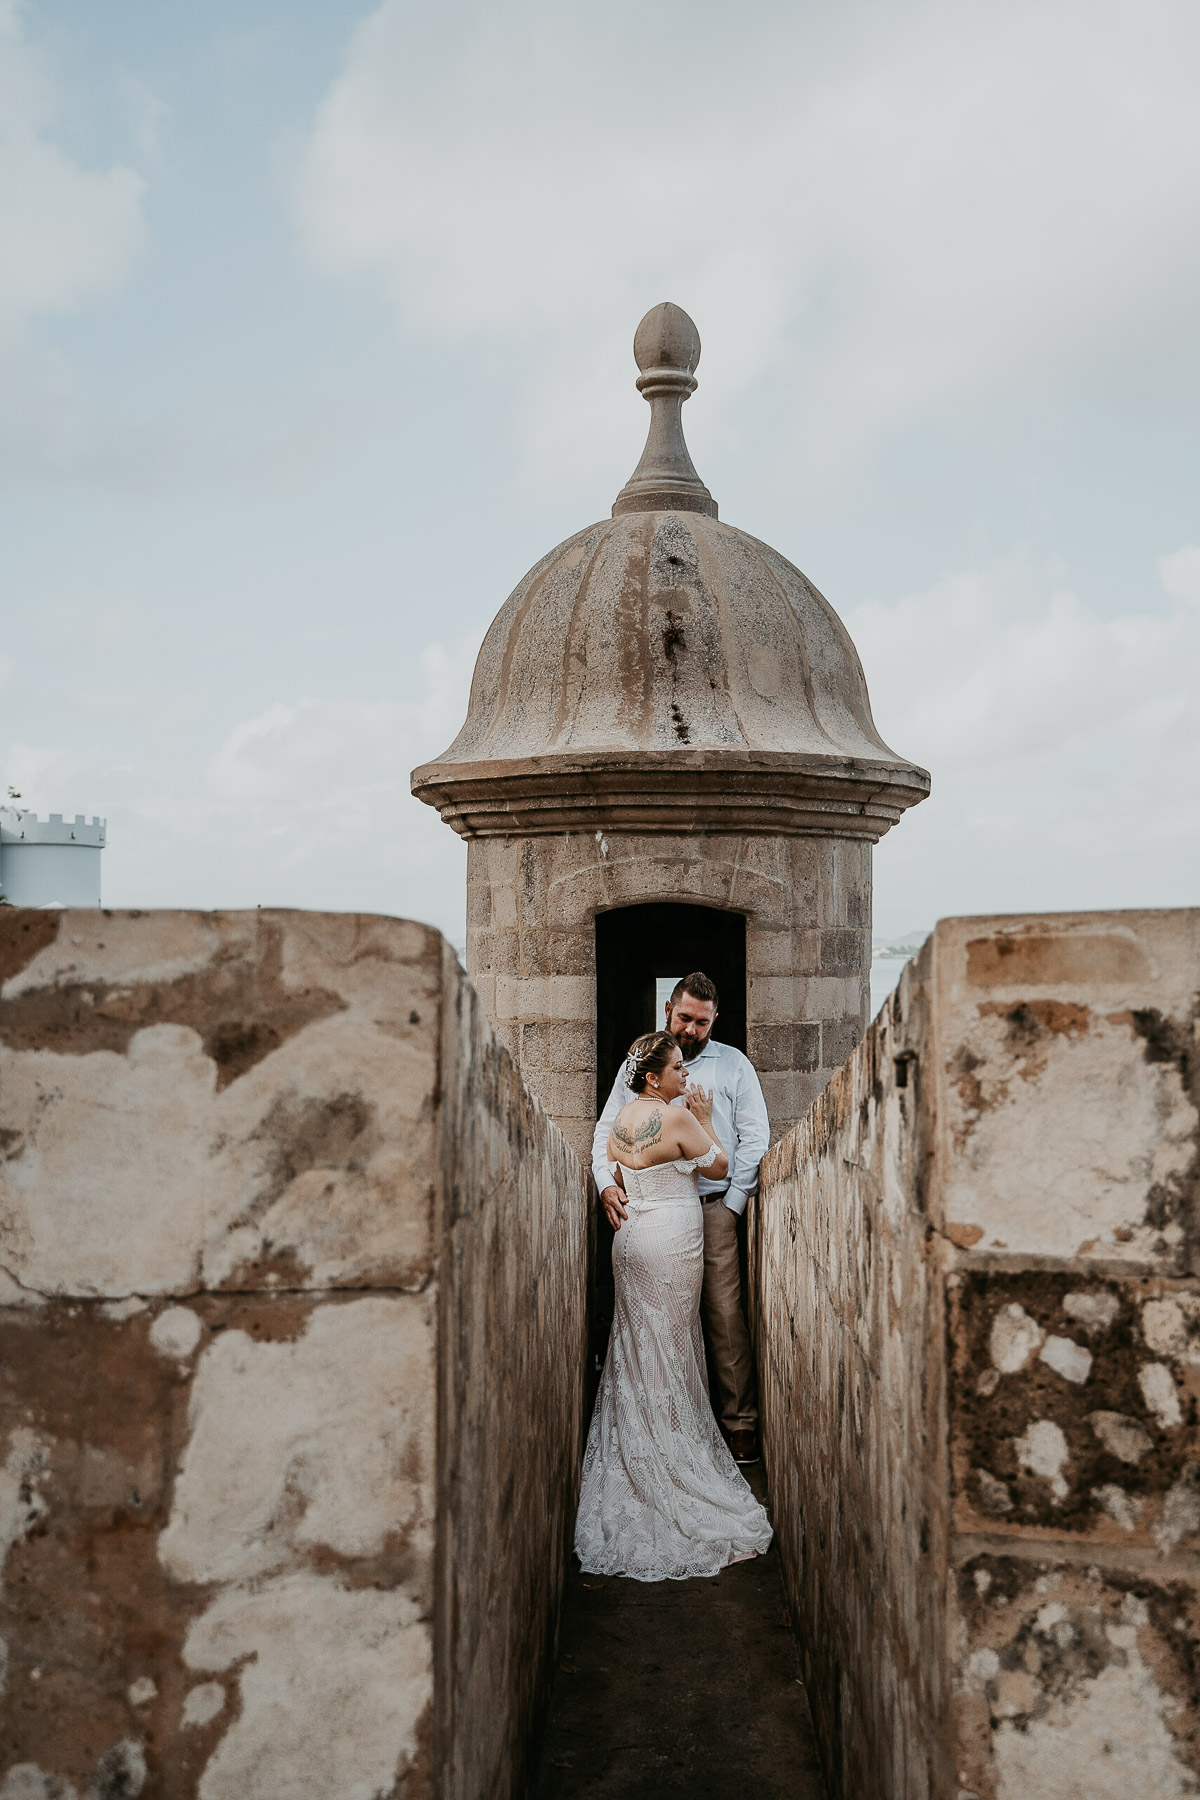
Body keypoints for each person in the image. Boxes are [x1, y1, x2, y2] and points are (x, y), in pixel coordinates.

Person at [574, 1031, 772, 1580]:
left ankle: (636, 1450)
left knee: (636, 1346)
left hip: (631, 1240)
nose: (687, 1078)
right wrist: (704, 1117)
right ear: (654, 1078)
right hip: (672, 1243)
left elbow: (616, 1168)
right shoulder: (680, 1117)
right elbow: (717, 1168)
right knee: (671, 1344)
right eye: (679, 1070)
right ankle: (668, 1459)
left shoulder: (620, 1121)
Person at [592, 973, 770, 1464]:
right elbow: (608, 1130)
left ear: (716, 1020)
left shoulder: (733, 1065)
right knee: (659, 1324)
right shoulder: (644, 1070)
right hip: (651, 1212)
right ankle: (668, 1428)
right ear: (668, 1008)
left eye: (702, 1022)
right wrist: (606, 1183)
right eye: (684, 1018)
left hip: (712, 1209)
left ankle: (739, 1424)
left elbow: (755, 1137)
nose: (692, 1029)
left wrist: (733, 1206)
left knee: (723, 1316)